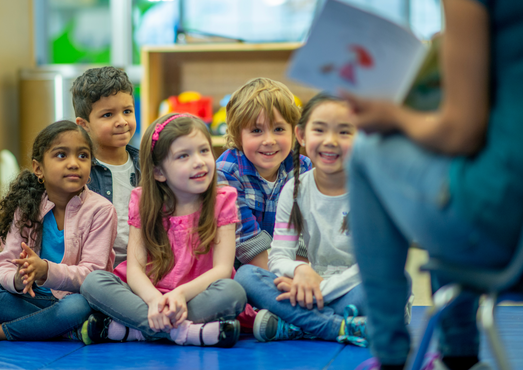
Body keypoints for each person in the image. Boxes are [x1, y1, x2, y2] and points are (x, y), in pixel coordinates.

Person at [346, 1, 523, 369]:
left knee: (364, 150)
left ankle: (391, 357)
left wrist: (393, 114)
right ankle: (458, 356)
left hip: (499, 224)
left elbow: (460, 133)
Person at [236, 93, 412, 344]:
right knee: (246, 276)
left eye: (344, 132)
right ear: (302, 136)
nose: (330, 141)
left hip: (353, 289)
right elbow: (278, 258)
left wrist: (321, 290)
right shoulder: (294, 190)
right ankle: (338, 326)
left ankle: (298, 324)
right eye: (319, 129)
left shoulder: (375, 190)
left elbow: (376, 263)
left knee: (397, 282)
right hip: (309, 288)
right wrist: (301, 269)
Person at [79, 113, 247, 348]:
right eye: (183, 156)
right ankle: (185, 332)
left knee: (233, 292)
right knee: (93, 282)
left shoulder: (223, 199)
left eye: (204, 151)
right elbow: (135, 268)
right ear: (159, 172)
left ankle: (135, 331)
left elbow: (221, 269)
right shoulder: (142, 200)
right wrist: (154, 299)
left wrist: (180, 294)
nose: (198, 161)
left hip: (195, 295)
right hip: (148, 295)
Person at [0, 121, 117, 342]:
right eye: (61, 155)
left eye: (83, 156)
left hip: (73, 300)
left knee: (78, 307)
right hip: (32, 298)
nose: (74, 163)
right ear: (39, 168)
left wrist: (45, 271)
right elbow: (3, 265)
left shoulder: (102, 210)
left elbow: (92, 275)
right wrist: (19, 280)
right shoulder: (27, 206)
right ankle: (67, 330)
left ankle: (2, 332)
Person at [216, 77, 312, 270]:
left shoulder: (302, 168)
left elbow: (305, 229)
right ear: (238, 135)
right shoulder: (227, 171)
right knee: (247, 277)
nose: (269, 140)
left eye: (278, 129)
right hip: (244, 265)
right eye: (257, 130)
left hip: (293, 265)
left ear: (294, 133)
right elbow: (246, 240)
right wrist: (286, 277)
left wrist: (299, 274)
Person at [72, 66, 140, 267]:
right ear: (84, 125)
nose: (122, 121)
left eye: (127, 111)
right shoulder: (77, 171)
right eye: (108, 115)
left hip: (143, 267)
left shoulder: (148, 165)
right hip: (97, 269)